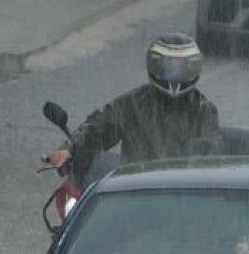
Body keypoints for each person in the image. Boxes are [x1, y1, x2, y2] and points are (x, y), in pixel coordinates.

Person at [47, 33, 220, 177]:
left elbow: (208, 156)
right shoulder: (132, 104)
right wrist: (69, 150)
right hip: (134, 188)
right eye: (169, 68)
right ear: (154, 66)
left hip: (182, 191)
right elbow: (99, 127)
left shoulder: (205, 109)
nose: (174, 76)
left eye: (182, 69)